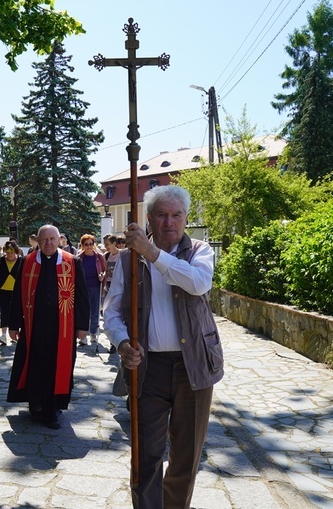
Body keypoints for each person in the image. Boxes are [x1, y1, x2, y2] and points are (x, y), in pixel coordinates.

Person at [103, 185, 224, 509]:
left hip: (194, 367)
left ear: (185, 219)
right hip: (148, 368)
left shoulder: (200, 250)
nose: (169, 222)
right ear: (150, 219)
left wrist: (153, 254)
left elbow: (198, 283)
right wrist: (122, 341)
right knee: (145, 455)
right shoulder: (128, 259)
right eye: (162, 215)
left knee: (186, 455)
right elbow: (112, 312)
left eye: (176, 215)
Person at [7, 225, 89, 429]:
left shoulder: (72, 262)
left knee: (56, 367)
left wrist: (82, 326)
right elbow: (17, 294)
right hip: (33, 325)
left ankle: (52, 409)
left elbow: (81, 297)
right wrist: (14, 324)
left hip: (62, 328)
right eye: (44, 239)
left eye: (52, 239)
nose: (48, 243)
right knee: (35, 364)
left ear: (60, 240)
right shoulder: (27, 262)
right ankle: (36, 404)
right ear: (38, 240)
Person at [78, 234, 107, 346]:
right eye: (86, 244)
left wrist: (102, 275)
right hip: (83, 288)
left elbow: (104, 270)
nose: (89, 246)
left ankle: (94, 333)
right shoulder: (79, 257)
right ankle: (83, 334)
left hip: (95, 286)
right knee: (83, 311)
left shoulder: (99, 257)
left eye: (91, 244)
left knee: (95, 311)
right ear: (82, 245)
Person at [0, 240, 23, 345]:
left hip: (17, 291)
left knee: (17, 311)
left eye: (11, 252)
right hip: (3, 290)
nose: (9, 255)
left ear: (16, 252)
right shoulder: (1, 260)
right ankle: (4, 335)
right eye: (7, 252)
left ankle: (16, 333)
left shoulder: (21, 261)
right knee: (4, 312)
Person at [102, 234, 122, 354]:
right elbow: (106, 271)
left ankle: (119, 340)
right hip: (109, 286)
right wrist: (103, 276)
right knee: (109, 312)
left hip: (119, 287)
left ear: (114, 244)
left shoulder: (122, 255)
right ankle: (112, 342)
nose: (106, 247)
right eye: (105, 245)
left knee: (118, 313)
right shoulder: (107, 255)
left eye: (107, 244)